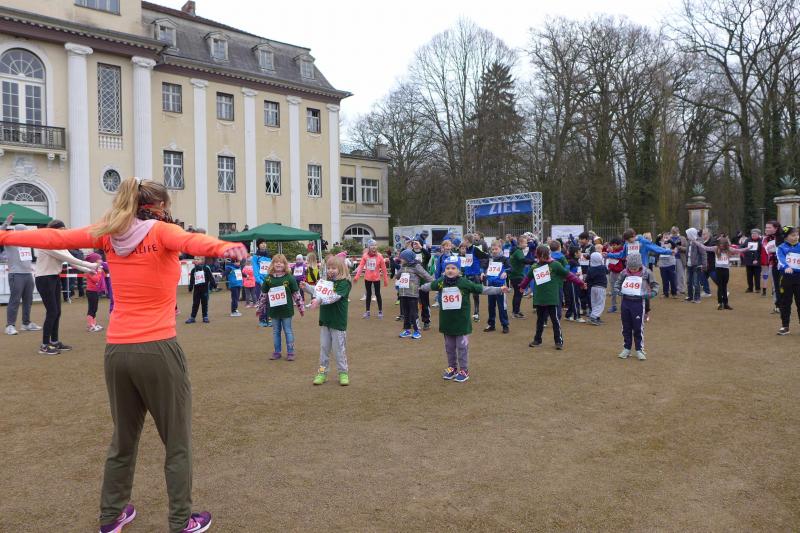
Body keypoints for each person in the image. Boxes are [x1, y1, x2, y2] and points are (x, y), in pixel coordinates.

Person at [0, 177, 246, 533]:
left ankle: (111, 516)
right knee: (176, 442)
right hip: (158, 349)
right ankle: (181, 521)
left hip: (117, 350)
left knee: (124, 440)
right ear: (160, 206)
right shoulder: (162, 231)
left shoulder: (109, 233)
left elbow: (56, 238)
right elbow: (192, 241)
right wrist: (224, 246)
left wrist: (5, 237)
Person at [420, 256, 509, 382]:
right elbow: (430, 285)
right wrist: (421, 287)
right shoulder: (441, 282)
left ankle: (464, 370)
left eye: (453, 268)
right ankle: (452, 368)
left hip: (461, 321)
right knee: (449, 347)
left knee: (462, 347)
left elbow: (481, 289)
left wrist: (499, 289)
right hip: (447, 322)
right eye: (447, 268)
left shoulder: (464, 283)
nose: (450, 270)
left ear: (459, 270)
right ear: (444, 270)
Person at [519, 244, 587, 350]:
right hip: (540, 298)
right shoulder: (535, 267)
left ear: (548, 254)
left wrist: (580, 283)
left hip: (552, 298)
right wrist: (522, 287)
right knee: (540, 321)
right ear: (537, 255)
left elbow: (568, 275)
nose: (543, 258)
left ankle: (558, 341)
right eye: (541, 256)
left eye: (545, 256)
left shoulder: (555, 265)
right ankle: (537, 340)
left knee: (555, 320)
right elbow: (527, 278)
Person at [301, 254, 352, 386]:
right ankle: (322, 373)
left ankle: (343, 372)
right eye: (328, 268)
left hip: (338, 322)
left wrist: (319, 300)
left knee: (339, 350)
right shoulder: (325, 282)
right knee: (324, 349)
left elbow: (334, 297)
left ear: (341, 269)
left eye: (334, 268)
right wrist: (307, 287)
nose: (330, 270)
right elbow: (318, 292)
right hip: (325, 320)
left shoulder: (344, 283)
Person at [613, 253, 659, 360]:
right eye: (631, 268)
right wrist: (617, 290)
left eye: (635, 268)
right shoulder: (624, 272)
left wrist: (653, 293)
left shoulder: (646, 272)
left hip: (638, 303)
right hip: (625, 302)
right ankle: (626, 348)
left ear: (640, 265)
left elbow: (655, 285)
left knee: (638, 327)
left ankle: (639, 349)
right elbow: (617, 283)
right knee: (626, 326)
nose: (633, 270)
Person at [1, 216, 41, 335]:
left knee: (28, 300)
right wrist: (6, 222)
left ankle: (26, 323)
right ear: (17, 232)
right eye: (24, 231)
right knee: (15, 300)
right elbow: (1, 232)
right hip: (16, 274)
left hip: (28, 274)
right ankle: (10, 325)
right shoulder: (9, 241)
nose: (26, 234)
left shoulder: (27, 243)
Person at [262, 254, 301, 360]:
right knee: (276, 332)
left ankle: (290, 352)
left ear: (285, 264)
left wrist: (300, 307)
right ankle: (277, 352)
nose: (278, 264)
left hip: (286, 310)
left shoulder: (290, 278)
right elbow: (263, 294)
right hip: (274, 311)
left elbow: (296, 294)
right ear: (272, 264)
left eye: (281, 262)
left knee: (288, 331)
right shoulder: (268, 278)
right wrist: (260, 308)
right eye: (276, 262)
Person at [690, 235, 745, 310]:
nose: (721, 246)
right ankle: (720, 303)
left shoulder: (729, 249)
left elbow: (739, 250)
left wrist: (748, 248)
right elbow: (705, 247)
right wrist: (695, 241)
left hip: (726, 270)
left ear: (725, 244)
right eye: (720, 244)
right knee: (720, 287)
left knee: (724, 286)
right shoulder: (715, 248)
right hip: (718, 270)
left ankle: (726, 304)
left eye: (722, 244)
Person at [395, 249, 434, 339]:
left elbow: (427, 276)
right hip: (403, 293)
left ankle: (417, 331)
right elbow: (397, 276)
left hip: (412, 294)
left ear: (407, 258)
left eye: (402, 258)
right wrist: (398, 270)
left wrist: (434, 284)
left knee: (413, 313)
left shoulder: (416, 266)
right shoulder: (403, 266)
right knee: (406, 313)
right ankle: (407, 330)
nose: (401, 259)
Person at [353, 239, 389, 319]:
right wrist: (357, 276)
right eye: (372, 245)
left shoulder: (379, 256)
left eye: (375, 245)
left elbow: (384, 269)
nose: (374, 247)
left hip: (377, 278)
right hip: (367, 278)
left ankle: (380, 311)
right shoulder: (365, 256)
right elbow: (361, 266)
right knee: (368, 295)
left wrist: (385, 279)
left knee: (377, 294)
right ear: (369, 247)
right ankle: (367, 311)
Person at [776, 226, 800, 335]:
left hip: (799, 278)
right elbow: (780, 259)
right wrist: (786, 266)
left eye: (797, 235)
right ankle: (785, 326)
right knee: (785, 303)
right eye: (793, 235)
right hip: (786, 278)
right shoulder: (781, 247)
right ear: (786, 237)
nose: (796, 237)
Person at [483, 242, 511, 333]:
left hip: (501, 286)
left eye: (496, 249)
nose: (494, 251)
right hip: (491, 286)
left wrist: (505, 272)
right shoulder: (490, 258)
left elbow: (510, 268)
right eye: (493, 249)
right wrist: (482, 272)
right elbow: (484, 267)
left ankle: (505, 325)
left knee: (502, 306)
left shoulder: (504, 259)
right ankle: (491, 324)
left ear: (500, 249)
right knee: (491, 306)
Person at [460, 235, 489, 322]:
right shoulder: (465, 249)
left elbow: (486, 256)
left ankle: (476, 313)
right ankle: (464, 314)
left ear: (467, 241)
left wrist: (482, 269)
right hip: (466, 275)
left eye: (463, 240)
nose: (462, 242)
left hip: (475, 276)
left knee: (475, 296)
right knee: (464, 295)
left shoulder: (475, 249)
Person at [508, 236, 534, 319]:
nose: (527, 244)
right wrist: (533, 261)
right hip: (517, 275)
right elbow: (523, 260)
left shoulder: (516, 250)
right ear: (520, 243)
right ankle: (516, 312)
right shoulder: (518, 251)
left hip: (515, 275)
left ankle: (516, 311)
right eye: (525, 243)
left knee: (517, 293)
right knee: (518, 294)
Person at [186, 257, 215, 324]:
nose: (196, 260)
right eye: (195, 259)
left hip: (204, 289)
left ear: (202, 260)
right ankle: (192, 317)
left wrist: (214, 284)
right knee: (195, 303)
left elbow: (210, 277)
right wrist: (190, 288)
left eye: (198, 259)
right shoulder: (193, 270)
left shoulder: (206, 268)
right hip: (196, 290)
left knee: (204, 303)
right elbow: (192, 280)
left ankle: (205, 316)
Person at [84, 252, 107, 332]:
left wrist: (101, 270)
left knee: (94, 308)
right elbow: (96, 279)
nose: (101, 260)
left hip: (95, 291)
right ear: (94, 261)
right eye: (99, 259)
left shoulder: (97, 269)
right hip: (91, 291)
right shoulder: (89, 270)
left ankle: (94, 324)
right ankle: (90, 325)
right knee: (92, 309)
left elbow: (104, 274)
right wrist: (99, 272)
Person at [684, 228, 707, 303]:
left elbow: (703, 254)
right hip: (689, 265)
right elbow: (687, 253)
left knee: (696, 282)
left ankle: (697, 298)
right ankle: (690, 296)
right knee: (689, 282)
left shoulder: (699, 242)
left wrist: (704, 265)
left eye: (688, 234)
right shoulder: (688, 242)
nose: (687, 236)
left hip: (697, 265)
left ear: (691, 234)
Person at [251, 242, 272, 326]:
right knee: (262, 301)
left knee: (270, 301)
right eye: (261, 243)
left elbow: (271, 269)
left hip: (269, 281)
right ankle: (262, 319)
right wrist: (260, 281)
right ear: (258, 245)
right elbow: (255, 270)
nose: (263, 244)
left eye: (264, 243)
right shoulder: (255, 257)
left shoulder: (269, 256)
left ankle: (269, 319)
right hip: (260, 283)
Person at [586, 252, 608, 326]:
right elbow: (607, 271)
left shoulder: (590, 269)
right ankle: (593, 317)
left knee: (594, 303)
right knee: (600, 303)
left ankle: (596, 317)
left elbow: (587, 279)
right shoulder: (602, 267)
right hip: (601, 288)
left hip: (593, 288)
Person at [606, 238, 626, 313]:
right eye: (612, 245)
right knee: (613, 290)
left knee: (622, 290)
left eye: (614, 245)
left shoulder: (623, 252)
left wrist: (610, 254)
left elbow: (620, 257)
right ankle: (613, 306)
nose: (613, 246)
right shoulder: (612, 251)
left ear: (619, 245)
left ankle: (623, 306)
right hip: (612, 272)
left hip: (621, 273)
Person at [657, 234, 678, 298]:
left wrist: (669, 241)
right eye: (664, 237)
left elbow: (675, 246)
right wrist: (658, 237)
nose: (665, 238)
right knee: (664, 280)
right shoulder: (660, 243)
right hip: (662, 264)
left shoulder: (671, 244)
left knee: (672, 279)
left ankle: (674, 293)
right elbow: (656, 244)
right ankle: (665, 293)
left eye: (667, 237)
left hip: (671, 264)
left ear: (670, 237)